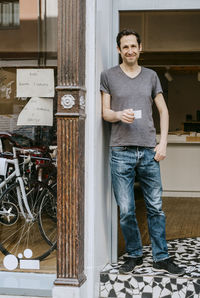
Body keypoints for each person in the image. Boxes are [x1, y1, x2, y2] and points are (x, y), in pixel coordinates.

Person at [100, 29, 185, 276]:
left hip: (149, 151)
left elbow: (164, 111)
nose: (129, 51)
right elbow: (104, 112)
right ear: (119, 50)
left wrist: (163, 143)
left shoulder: (151, 76)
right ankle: (135, 255)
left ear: (140, 48)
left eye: (133, 46)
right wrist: (117, 115)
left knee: (155, 208)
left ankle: (161, 257)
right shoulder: (108, 76)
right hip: (121, 152)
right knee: (126, 210)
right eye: (124, 47)